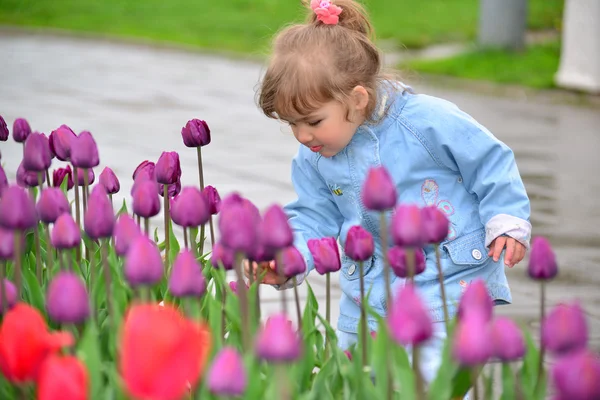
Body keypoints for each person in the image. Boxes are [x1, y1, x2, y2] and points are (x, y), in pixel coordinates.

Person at [246, 0, 531, 387]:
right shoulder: (315, 156)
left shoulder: (426, 121)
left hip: (446, 286)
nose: (302, 135)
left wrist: (507, 219)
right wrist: (288, 255)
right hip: (366, 296)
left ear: (358, 99)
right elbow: (313, 215)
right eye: (292, 123)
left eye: (312, 121)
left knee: (430, 385)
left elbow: (489, 161)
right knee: (360, 383)